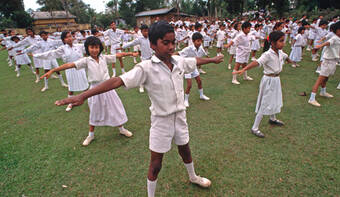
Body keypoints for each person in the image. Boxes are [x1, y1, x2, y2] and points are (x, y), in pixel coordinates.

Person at [53, 21, 224, 197]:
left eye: (173, 42)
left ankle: (193, 176)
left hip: (180, 116)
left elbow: (194, 61)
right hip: (161, 121)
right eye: (165, 43)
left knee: (185, 149)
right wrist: (83, 95)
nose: (171, 47)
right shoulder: (146, 68)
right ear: (152, 45)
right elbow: (117, 81)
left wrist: (212, 59)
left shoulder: (178, 61)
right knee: (156, 164)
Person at [40, 36, 137, 146]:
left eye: (96, 47)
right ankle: (91, 135)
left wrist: (130, 54)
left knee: (115, 108)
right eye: (92, 47)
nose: (94, 50)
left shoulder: (104, 58)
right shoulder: (85, 61)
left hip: (108, 88)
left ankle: (121, 129)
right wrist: (53, 70)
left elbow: (119, 55)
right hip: (94, 90)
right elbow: (69, 65)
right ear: (87, 48)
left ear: (100, 48)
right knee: (94, 112)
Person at [233, 31, 294, 138]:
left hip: (276, 80)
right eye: (280, 41)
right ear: (273, 43)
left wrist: (290, 60)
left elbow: (285, 56)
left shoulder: (280, 52)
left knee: (275, 99)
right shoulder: (267, 54)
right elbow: (257, 62)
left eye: (283, 41)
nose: (283, 43)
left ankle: (272, 118)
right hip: (269, 80)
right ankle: (255, 127)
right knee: (265, 102)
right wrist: (244, 69)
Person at [33, 31, 89, 112]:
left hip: (80, 69)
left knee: (85, 87)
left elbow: (88, 48)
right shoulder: (63, 49)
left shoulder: (79, 46)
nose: (69, 38)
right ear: (63, 40)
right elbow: (51, 54)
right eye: (67, 37)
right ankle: (70, 103)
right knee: (71, 88)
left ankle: (91, 102)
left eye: (70, 36)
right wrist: (36, 55)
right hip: (70, 70)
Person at [308, 21, 340, 107]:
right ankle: (312, 98)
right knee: (320, 79)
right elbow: (328, 42)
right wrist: (320, 46)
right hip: (328, 61)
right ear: (337, 30)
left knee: (326, 78)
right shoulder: (334, 38)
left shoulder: (338, 38)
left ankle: (323, 92)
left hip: (333, 61)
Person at [178, 32, 211, 107]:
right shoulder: (188, 49)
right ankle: (185, 100)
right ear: (193, 41)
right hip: (187, 68)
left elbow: (204, 54)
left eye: (201, 41)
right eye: (198, 41)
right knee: (189, 85)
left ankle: (201, 95)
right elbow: (179, 53)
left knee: (199, 81)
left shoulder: (201, 48)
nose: (200, 43)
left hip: (194, 67)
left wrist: (210, 58)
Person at [121, 24, 153, 93]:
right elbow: (132, 43)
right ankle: (141, 86)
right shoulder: (140, 39)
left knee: (152, 72)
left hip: (151, 57)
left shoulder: (151, 37)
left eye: (147, 31)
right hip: (144, 59)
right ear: (141, 32)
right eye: (144, 31)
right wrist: (123, 47)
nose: (146, 33)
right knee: (143, 73)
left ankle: (151, 85)